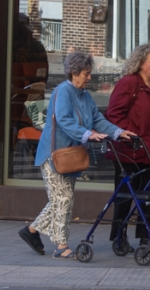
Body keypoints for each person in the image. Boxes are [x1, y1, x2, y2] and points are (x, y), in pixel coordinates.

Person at [20, 51, 134, 259]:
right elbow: (64, 120)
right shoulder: (63, 92)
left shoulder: (85, 96)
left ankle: (31, 231)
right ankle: (61, 246)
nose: (89, 78)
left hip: (71, 156)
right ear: (74, 72)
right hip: (54, 155)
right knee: (64, 198)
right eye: (86, 73)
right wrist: (88, 134)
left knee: (61, 199)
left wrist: (118, 132)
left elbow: (97, 118)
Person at [105, 41, 150, 250]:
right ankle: (119, 237)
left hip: (148, 148)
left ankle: (147, 235)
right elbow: (113, 114)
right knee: (125, 194)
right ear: (141, 63)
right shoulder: (129, 83)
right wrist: (128, 133)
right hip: (128, 149)